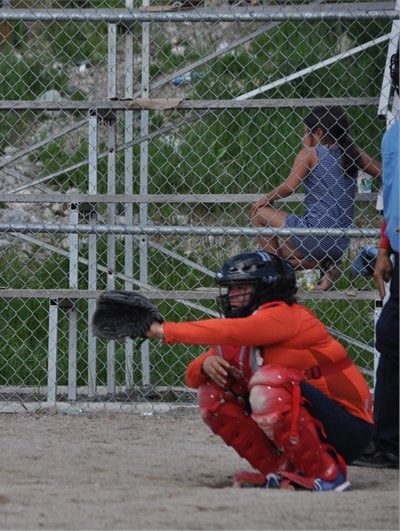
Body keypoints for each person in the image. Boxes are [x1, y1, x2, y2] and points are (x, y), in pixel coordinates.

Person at [144, 251, 374, 491]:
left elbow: (230, 331)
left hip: (350, 428)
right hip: (315, 424)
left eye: (241, 287)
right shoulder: (248, 325)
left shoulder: (286, 316)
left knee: (270, 382)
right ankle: (280, 468)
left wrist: (163, 330)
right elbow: (192, 377)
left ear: (266, 288)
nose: (232, 295)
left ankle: (327, 475)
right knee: (212, 392)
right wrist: (205, 365)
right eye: (231, 288)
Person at [251, 106, 382, 291]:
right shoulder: (353, 153)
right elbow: (383, 172)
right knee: (280, 253)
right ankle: (325, 264)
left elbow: (290, 186)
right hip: (340, 241)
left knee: (259, 214)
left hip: (314, 233)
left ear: (318, 133)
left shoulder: (310, 153)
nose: (303, 138)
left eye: (306, 133)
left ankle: (276, 279)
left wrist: (265, 199)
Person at [352, 52, 399, 469]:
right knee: (390, 334)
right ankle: (388, 442)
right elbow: (391, 200)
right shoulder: (393, 136)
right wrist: (383, 249)